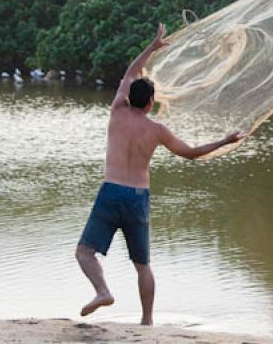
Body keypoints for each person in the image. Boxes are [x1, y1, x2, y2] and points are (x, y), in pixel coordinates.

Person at [75, 22, 243, 325]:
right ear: (151, 103)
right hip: (137, 198)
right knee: (143, 266)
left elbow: (130, 72)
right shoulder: (157, 131)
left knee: (85, 252)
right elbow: (191, 154)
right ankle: (147, 321)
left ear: (130, 97)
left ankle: (102, 291)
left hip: (110, 191)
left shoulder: (117, 112)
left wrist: (152, 47)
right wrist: (225, 140)